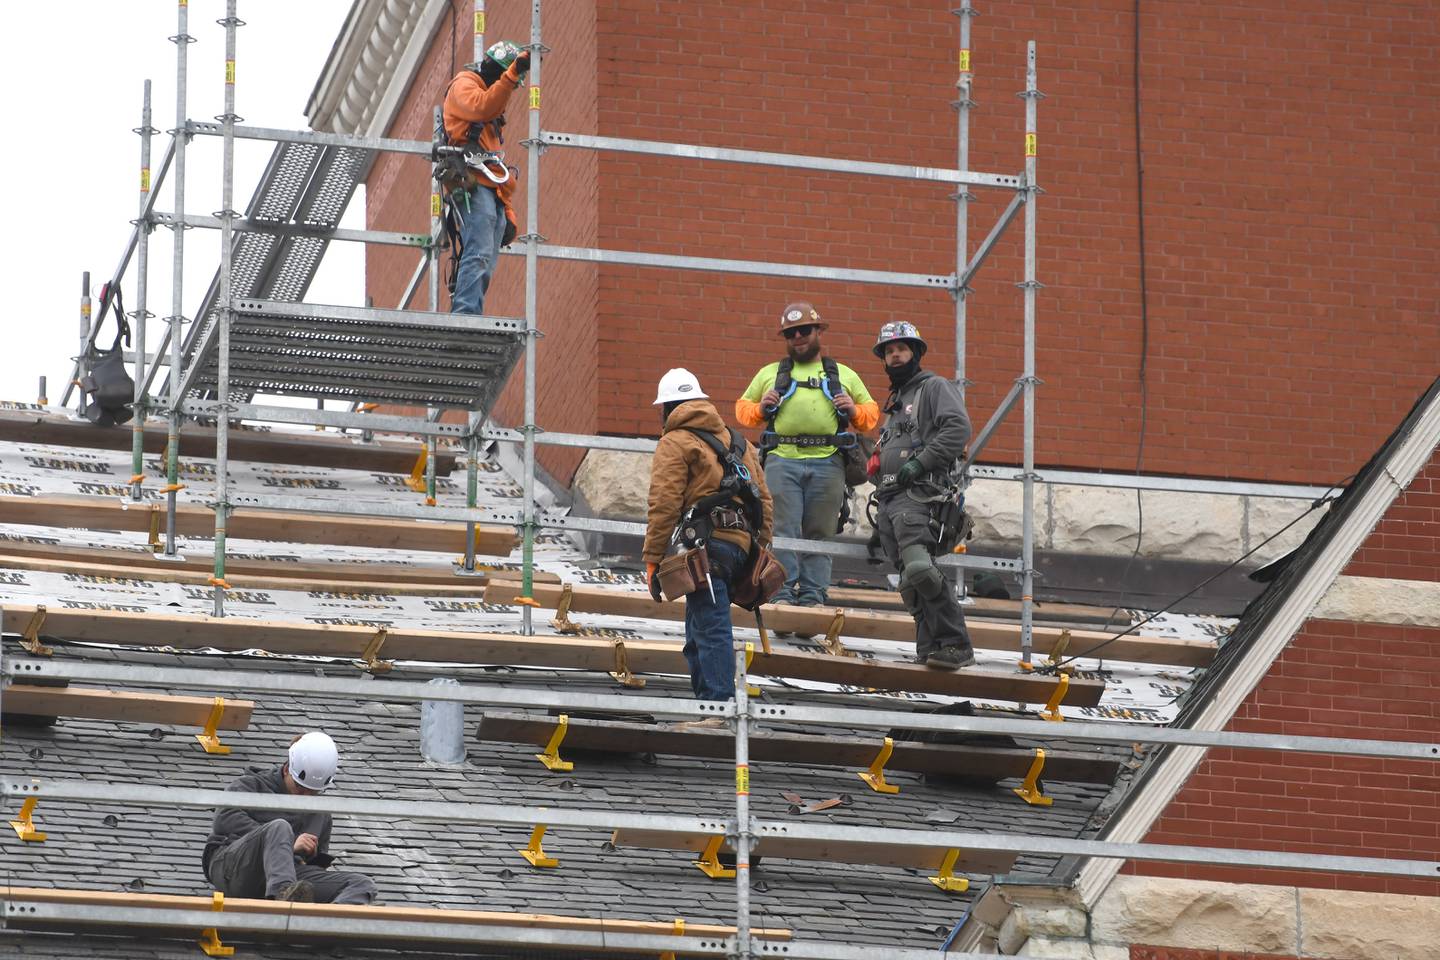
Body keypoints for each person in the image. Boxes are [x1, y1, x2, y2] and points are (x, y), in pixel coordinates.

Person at [736, 303, 879, 614]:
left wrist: (853, 411)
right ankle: (782, 592)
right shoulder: (770, 374)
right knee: (781, 530)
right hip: (781, 461)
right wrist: (762, 408)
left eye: (804, 330)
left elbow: (871, 415)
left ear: (818, 333)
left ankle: (813, 596)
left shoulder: (841, 374)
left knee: (820, 531)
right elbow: (742, 410)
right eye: (791, 333)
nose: (798, 336)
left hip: (828, 461)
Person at [644, 368, 774, 702]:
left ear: (667, 408)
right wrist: (758, 550)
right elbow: (765, 501)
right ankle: (708, 705)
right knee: (699, 628)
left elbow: (664, 502)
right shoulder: (740, 442)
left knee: (712, 627)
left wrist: (653, 559)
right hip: (739, 550)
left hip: (705, 548)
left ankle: (718, 706)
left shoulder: (675, 441)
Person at [870, 322, 977, 670]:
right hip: (890, 501)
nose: (895, 355)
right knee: (909, 582)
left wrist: (920, 463)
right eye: (889, 351)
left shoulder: (933, 388)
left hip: (918, 495)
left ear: (915, 353)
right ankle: (930, 648)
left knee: (920, 568)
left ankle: (957, 644)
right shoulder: (896, 403)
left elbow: (958, 428)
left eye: (902, 349)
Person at [202, 732, 377, 904]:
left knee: (361, 884)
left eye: (312, 792)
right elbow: (223, 819)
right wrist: (288, 842)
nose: (305, 797)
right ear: (287, 770)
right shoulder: (250, 786)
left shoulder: (321, 815)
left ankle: (329, 922)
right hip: (236, 871)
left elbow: (315, 869)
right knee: (279, 827)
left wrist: (310, 856)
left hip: (291, 875)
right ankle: (284, 896)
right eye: (300, 789)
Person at [440, 40, 531, 316]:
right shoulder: (464, 86)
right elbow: (482, 107)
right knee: (478, 253)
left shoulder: (491, 111)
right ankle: (465, 316)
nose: (509, 90)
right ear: (497, 71)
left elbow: (496, 165)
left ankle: (471, 313)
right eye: (507, 81)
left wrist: (509, 212)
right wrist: (513, 74)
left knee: (486, 261)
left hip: (490, 187)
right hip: (472, 182)